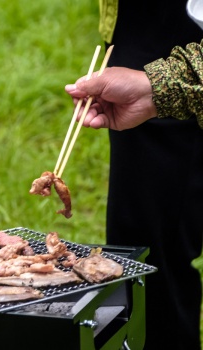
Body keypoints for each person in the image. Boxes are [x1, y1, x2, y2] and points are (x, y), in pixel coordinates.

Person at [66, 2, 203, 346]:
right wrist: (153, 88)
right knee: (142, 248)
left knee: (158, 261)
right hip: (142, 26)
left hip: (187, 31)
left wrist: (161, 86)